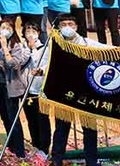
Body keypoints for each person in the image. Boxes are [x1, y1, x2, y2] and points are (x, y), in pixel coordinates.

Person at [51, 14, 109, 166]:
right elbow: (47, 63)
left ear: (76, 27)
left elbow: (108, 50)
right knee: (61, 128)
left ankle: (91, 161)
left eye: (70, 24)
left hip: (85, 92)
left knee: (89, 128)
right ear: (59, 28)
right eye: (64, 25)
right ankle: (56, 160)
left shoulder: (87, 43)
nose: (67, 27)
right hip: (64, 93)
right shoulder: (55, 45)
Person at [0, 19, 30, 158]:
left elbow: (12, 64)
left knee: (13, 118)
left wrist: (5, 47)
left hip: (12, 87)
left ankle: (20, 150)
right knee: (4, 117)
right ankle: (11, 146)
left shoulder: (16, 45)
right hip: (0, 85)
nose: (5, 30)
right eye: (2, 27)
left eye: (8, 27)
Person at [22, 22, 51, 155]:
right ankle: (35, 145)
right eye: (28, 31)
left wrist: (33, 48)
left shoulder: (44, 48)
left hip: (40, 90)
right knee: (31, 120)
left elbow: (40, 65)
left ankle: (44, 149)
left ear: (39, 33)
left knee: (42, 120)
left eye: (34, 31)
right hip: (26, 91)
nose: (31, 34)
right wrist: (28, 49)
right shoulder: (22, 48)